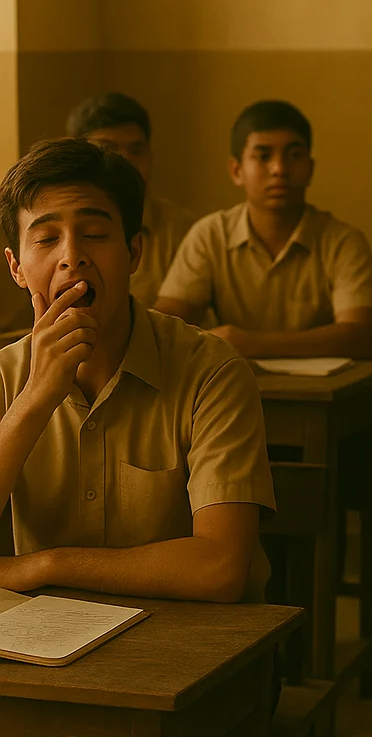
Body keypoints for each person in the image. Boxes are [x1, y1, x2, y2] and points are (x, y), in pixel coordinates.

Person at [0, 138, 275, 601]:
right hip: (49, 650)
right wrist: (35, 398)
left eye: (95, 233)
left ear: (134, 254)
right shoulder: (7, 375)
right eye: (46, 238)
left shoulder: (212, 372)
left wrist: (49, 564)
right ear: (16, 268)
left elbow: (221, 566)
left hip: (192, 646)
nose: (72, 256)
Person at [154, 100, 372, 359]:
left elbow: (360, 338)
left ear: (310, 169)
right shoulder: (210, 235)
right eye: (263, 156)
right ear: (236, 171)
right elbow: (166, 327)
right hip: (228, 392)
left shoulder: (343, 241)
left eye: (294, 156)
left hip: (323, 395)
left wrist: (250, 344)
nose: (279, 169)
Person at [67, 93, 195, 310]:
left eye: (137, 150)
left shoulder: (184, 230)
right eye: (108, 150)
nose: (126, 162)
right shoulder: (56, 230)